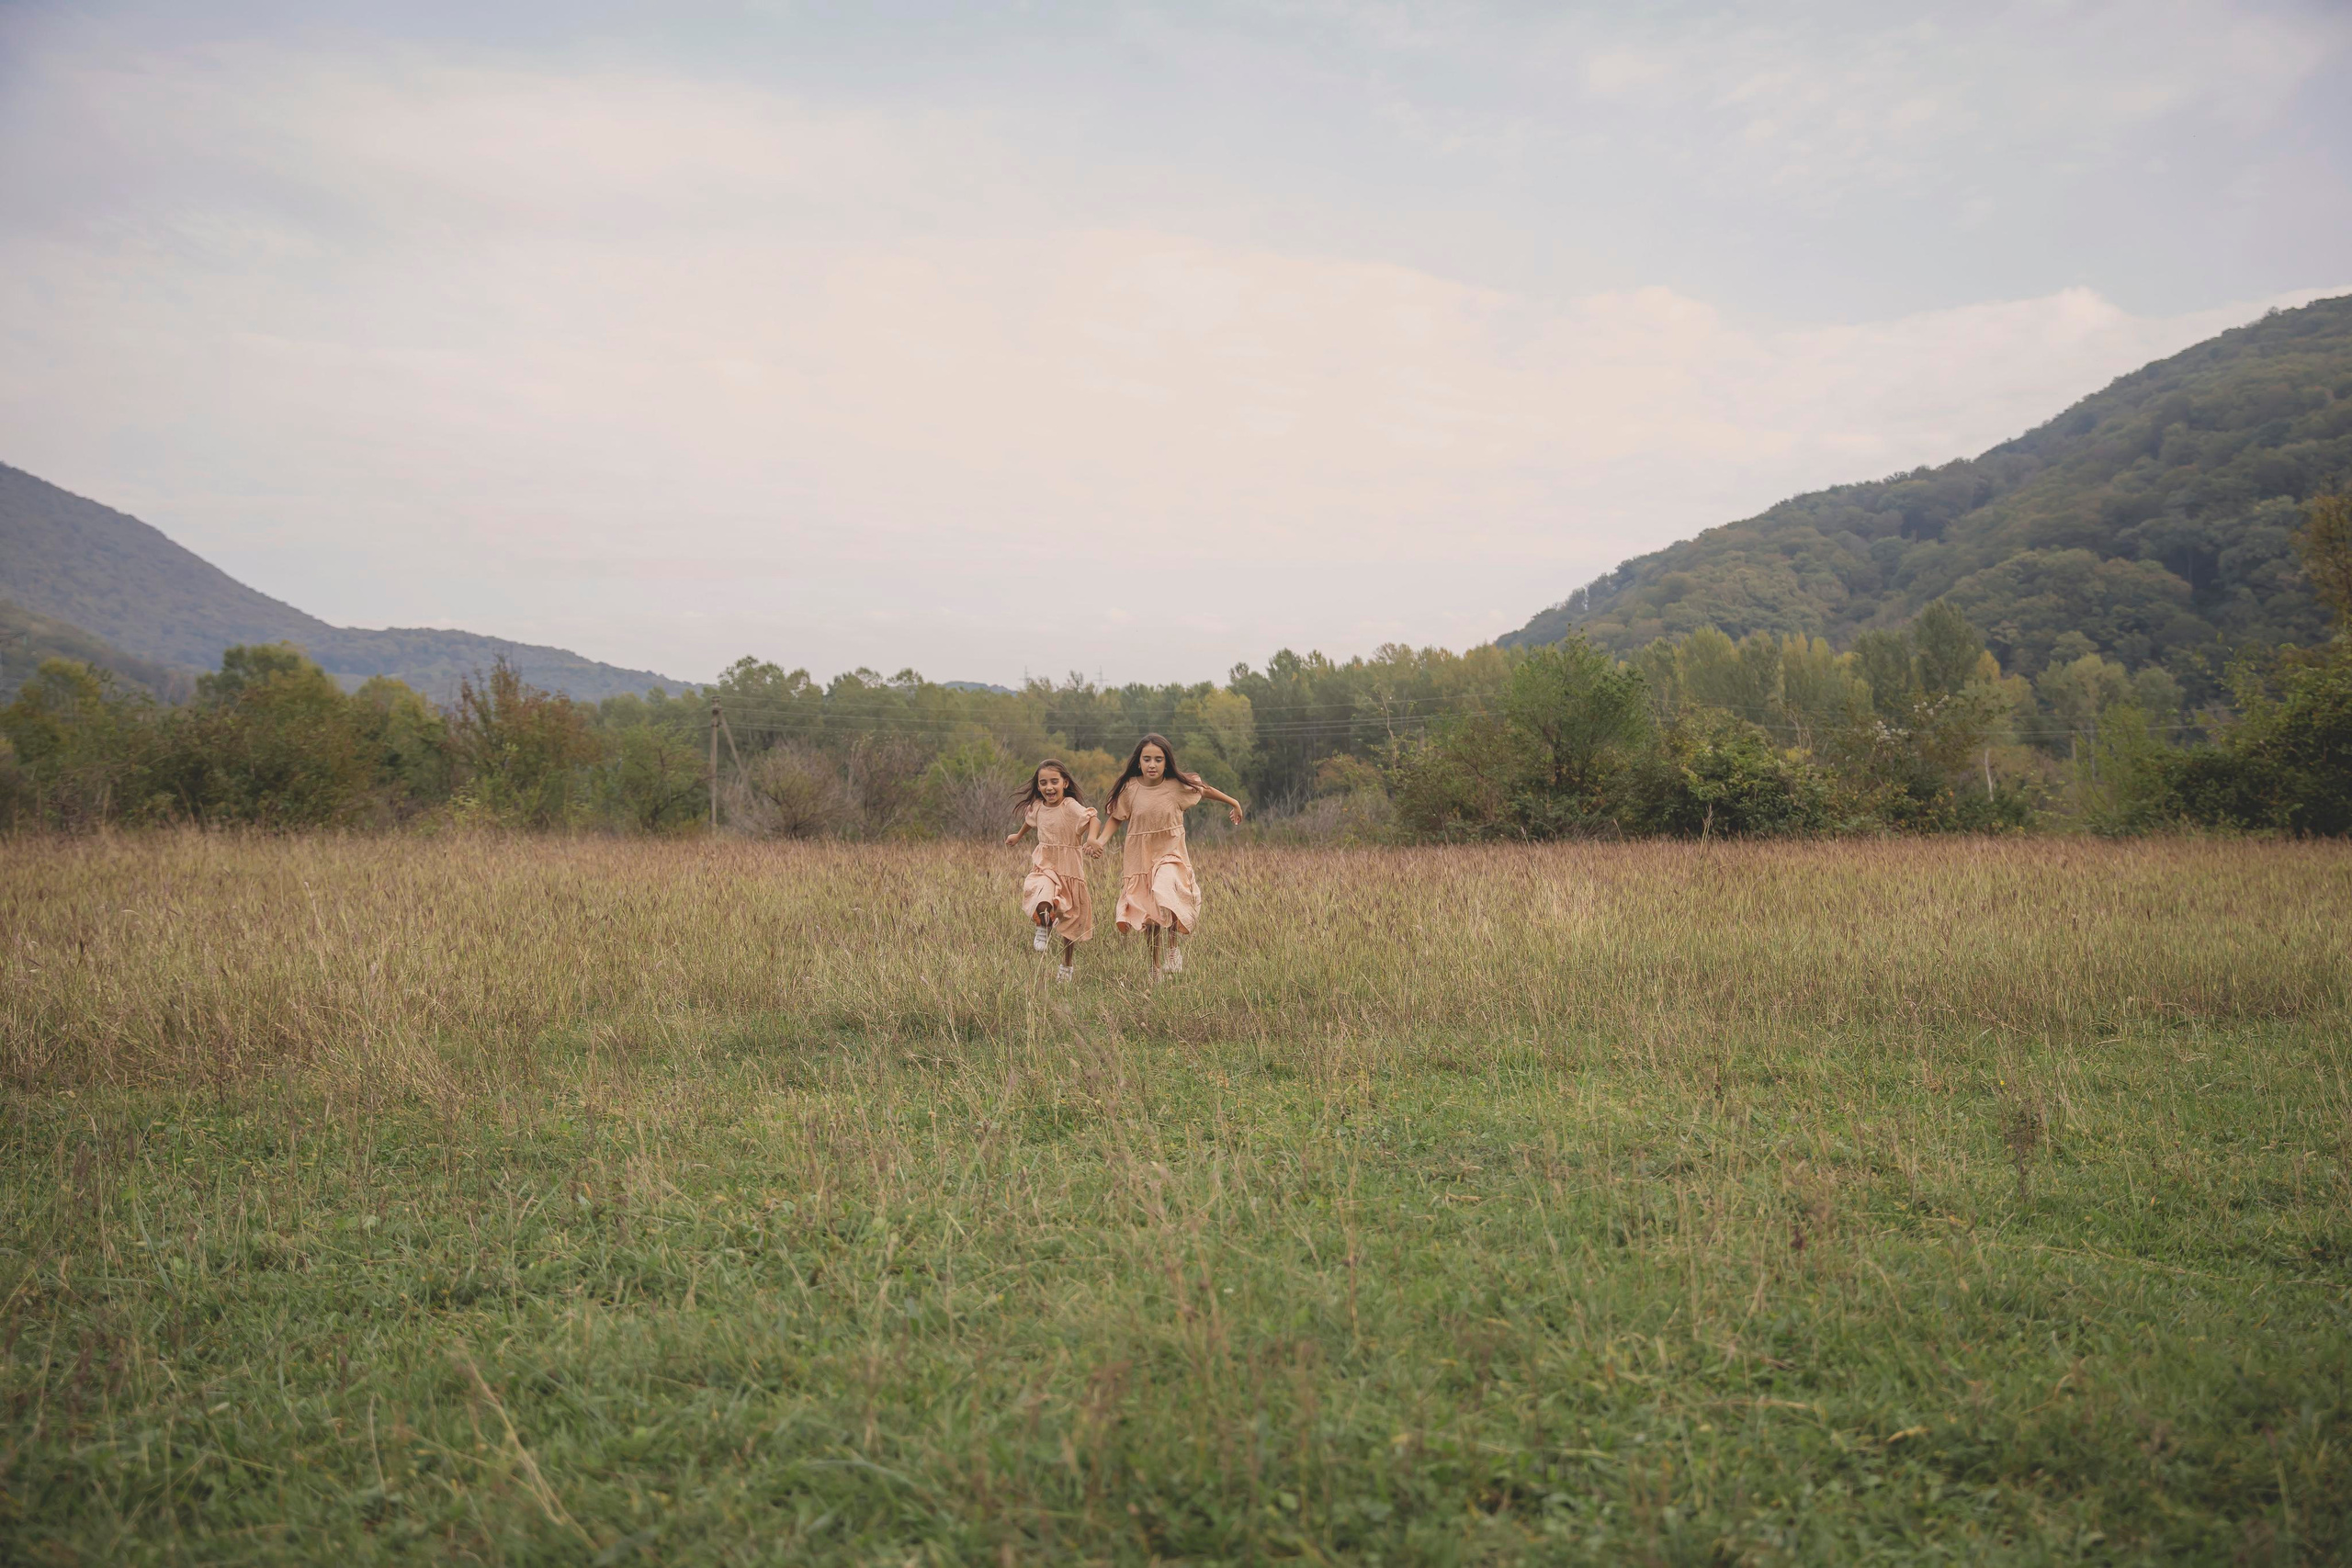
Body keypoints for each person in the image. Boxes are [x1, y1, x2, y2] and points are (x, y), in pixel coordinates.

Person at [1087, 733, 1243, 979]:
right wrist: (1100, 841)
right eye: (1147, 759)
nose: (1152, 764)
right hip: (1140, 856)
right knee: (1150, 917)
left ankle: (1173, 947)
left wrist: (1233, 802)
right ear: (1138, 762)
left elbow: (1205, 790)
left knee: (1166, 890)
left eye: (1158, 759)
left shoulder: (1176, 786)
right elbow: (1116, 817)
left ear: (1166, 762)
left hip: (1170, 851)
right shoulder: (1130, 789)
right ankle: (1155, 967)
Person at [1005, 759, 1096, 982]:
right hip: (1045, 863)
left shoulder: (1070, 806)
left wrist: (1092, 839)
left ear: (1065, 783)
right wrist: (1018, 835)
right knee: (1042, 893)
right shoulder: (1038, 807)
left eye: (1054, 782)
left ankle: (1066, 966)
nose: (1048, 787)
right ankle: (1043, 926)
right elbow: (1031, 820)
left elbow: (1093, 818)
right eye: (1043, 783)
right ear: (1038, 786)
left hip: (1069, 868)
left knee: (1070, 923)